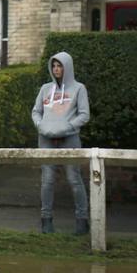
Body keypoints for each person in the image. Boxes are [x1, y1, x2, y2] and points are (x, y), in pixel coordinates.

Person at [32, 51, 91, 234]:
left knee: (74, 179)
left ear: (67, 67)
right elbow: (36, 111)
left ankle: (82, 222)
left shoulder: (79, 88)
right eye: (54, 66)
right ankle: (46, 221)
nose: (56, 69)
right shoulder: (45, 89)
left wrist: (67, 127)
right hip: (46, 139)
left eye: (60, 66)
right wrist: (41, 126)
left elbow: (84, 115)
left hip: (69, 138)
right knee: (47, 181)